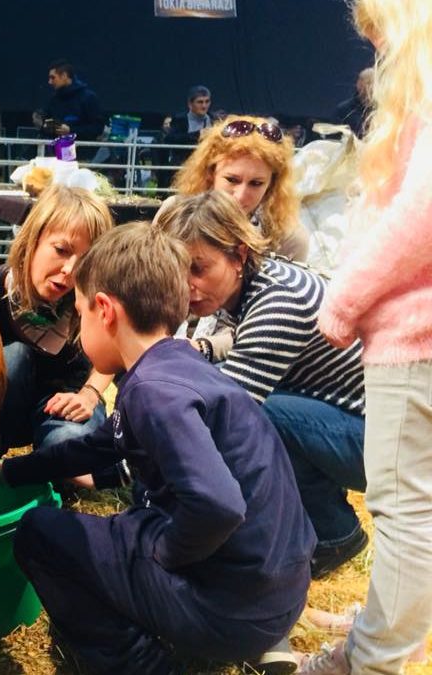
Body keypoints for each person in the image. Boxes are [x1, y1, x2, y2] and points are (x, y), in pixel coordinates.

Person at [0, 222, 315, 675]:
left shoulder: (153, 392)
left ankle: (142, 664)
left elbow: (219, 504)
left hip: (230, 611)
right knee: (126, 523)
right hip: (276, 593)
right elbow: (99, 445)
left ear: (105, 311)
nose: (78, 334)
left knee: (39, 534)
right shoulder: (178, 367)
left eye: (80, 314)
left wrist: (164, 552)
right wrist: (6, 472)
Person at [298, 1, 432, 672]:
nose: (376, 58)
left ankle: (374, 659)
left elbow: (423, 206)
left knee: (403, 510)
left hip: (415, 336)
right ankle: (387, 632)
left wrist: (346, 299)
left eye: (377, 39)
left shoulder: (427, 80)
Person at [157, 190, 368, 581]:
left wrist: (119, 465)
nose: (186, 286)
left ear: (238, 256)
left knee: (258, 417)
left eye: (198, 269)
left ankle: (334, 533)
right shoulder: (259, 278)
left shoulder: (278, 301)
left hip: (377, 441)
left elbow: (225, 409)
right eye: (177, 271)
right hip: (348, 420)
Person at [0, 185, 116, 487]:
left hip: (64, 404)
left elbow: (114, 352)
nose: (70, 270)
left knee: (69, 452)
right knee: (15, 356)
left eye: (85, 259)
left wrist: (89, 395)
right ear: (33, 238)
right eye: (61, 250)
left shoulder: (92, 298)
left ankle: (49, 462)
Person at [169, 114, 310, 262]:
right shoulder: (173, 215)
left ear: (272, 185)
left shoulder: (289, 238)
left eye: (256, 183)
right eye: (232, 180)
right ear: (210, 172)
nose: (240, 195)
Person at [42, 59, 104, 142]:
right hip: (56, 151)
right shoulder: (54, 100)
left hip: (82, 152)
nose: (50, 82)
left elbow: (97, 128)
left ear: (64, 76)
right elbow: (47, 125)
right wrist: (43, 125)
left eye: (53, 78)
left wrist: (71, 130)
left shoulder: (88, 97)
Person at [332, 67, 374, 138]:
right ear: (358, 84)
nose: (370, 87)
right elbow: (334, 138)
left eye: (372, 83)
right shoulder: (343, 110)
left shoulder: (384, 112)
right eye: (368, 83)